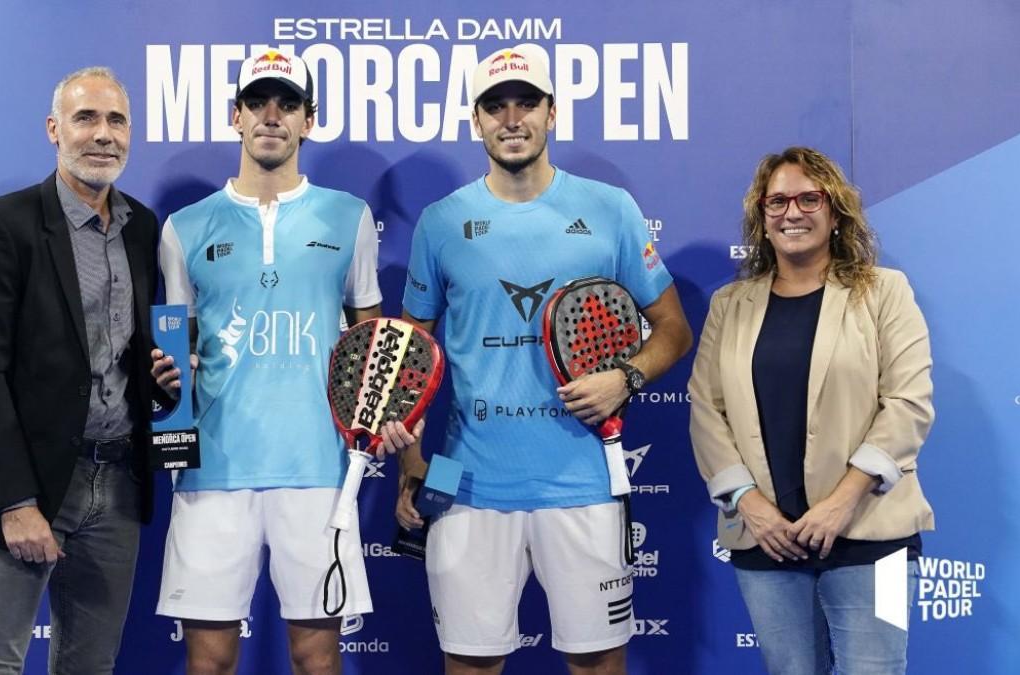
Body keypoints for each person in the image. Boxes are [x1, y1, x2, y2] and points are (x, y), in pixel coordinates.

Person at [382, 44, 693, 675]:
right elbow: (412, 355)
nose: (512, 118)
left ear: (553, 113)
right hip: (467, 487)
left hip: (582, 485)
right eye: (495, 106)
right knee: (471, 666)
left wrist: (625, 377)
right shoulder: (442, 222)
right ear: (476, 121)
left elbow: (673, 330)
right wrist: (412, 461)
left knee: (597, 664)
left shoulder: (611, 210)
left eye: (527, 102)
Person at [152, 50, 382, 675]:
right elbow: (170, 354)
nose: (271, 116)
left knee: (316, 658)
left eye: (287, 104)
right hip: (211, 475)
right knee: (209, 664)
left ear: (310, 120)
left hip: (316, 468)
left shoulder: (349, 216)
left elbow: (371, 343)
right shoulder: (184, 227)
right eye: (257, 103)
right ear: (236, 116)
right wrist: (175, 454)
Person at [688, 146, 935, 674]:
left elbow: (908, 402)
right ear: (761, 216)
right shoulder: (729, 306)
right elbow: (706, 410)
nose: (792, 212)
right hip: (767, 539)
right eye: (776, 201)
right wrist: (749, 504)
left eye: (808, 198)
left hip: (876, 535)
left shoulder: (885, 292)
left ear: (835, 210)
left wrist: (842, 502)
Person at [0, 66, 158, 674]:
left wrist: (166, 377)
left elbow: (132, 353)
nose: (103, 134)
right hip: (28, 485)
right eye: (86, 118)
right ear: (53, 129)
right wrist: (16, 501)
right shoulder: (0, 228)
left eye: (116, 120)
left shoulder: (143, 228)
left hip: (117, 486)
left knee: (89, 668)